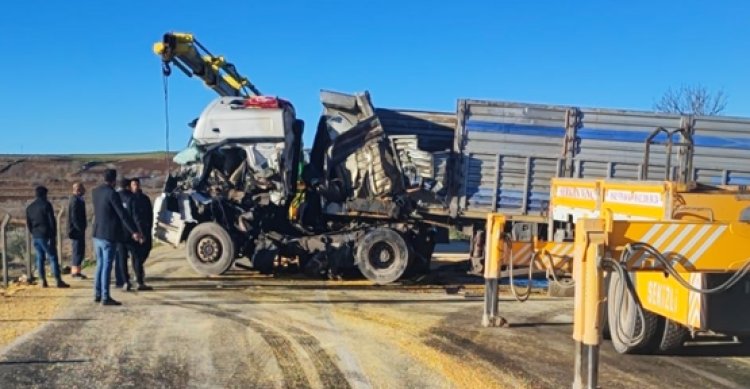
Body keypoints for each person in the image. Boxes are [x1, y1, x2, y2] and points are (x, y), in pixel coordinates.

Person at [92, 169, 142, 306]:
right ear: (113, 180)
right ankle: (105, 296)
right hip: (109, 234)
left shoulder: (95, 192)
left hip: (97, 233)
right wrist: (134, 231)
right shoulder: (112, 194)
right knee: (107, 266)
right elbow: (122, 214)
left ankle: (97, 293)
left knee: (100, 264)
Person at [25, 186, 69, 288]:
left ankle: (42, 280)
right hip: (46, 235)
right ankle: (58, 280)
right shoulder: (46, 205)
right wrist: (53, 235)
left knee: (40, 258)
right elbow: (51, 221)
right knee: (53, 257)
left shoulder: (30, 207)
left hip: (36, 235)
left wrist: (34, 232)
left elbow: (29, 224)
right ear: (44, 194)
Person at [129, 178, 154, 290]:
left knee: (147, 249)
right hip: (136, 232)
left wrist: (150, 227)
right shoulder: (131, 200)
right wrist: (137, 232)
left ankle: (137, 270)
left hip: (146, 229)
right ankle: (139, 280)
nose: (136, 186)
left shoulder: (145, 198)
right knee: (137, 256)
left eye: (137, 184)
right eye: (134, 184)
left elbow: (150, 213)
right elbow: (133, 217)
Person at [115, 178, 134, 291]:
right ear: (128, 186)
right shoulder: (131, 197)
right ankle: (138, 278)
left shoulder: (114, 196)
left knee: (121, 258)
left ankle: (122, 280)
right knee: (135, 256)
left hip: (118, 232)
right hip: (131, 232)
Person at [68, 182, 88, 279]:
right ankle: (75, 272)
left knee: (80, 250)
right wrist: (79, 228)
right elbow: (74, 216)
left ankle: (78, 270)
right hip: (76, 231)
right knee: (77, 250)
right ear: (78, 190)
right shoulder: (75, 200)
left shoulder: (79, 200)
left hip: (79, 230)